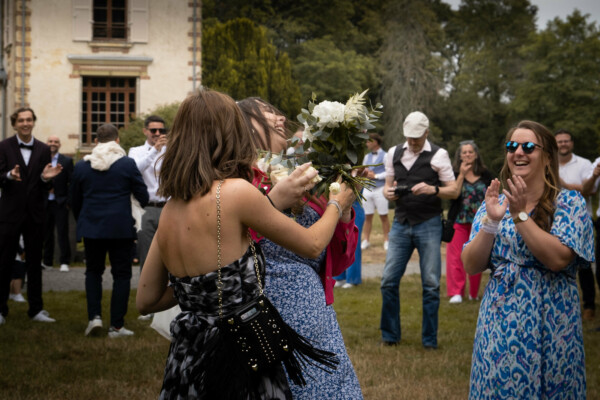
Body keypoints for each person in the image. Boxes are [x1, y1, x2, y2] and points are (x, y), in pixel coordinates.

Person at [136, 89, 356, 399]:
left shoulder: (171, 208)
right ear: (231, 133)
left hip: (189, 351)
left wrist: (205, 291)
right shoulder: (236, 192)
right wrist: (337, 203)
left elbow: (146, 299)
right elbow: (312, 244)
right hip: (236, 350)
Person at [238, 97, 363, 398]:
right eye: (267, 113)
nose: (280, 118)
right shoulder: (238, 180)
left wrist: (343, 209)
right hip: (262, 314)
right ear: (243, 125)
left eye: (278, 112)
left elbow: (338, 259)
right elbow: (232, 241)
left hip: (314, 314)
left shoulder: (308, 178)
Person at [462, 120, 593, 398]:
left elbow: (558, 259)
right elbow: (471, 265)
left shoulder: (569, 203)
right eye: (512, 146)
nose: (518, 152)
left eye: (528, 146)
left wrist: (520, 215)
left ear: (547, 158)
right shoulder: (495, 202)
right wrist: (491, 223)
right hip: (501, 323)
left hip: (553, 321)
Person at [379, 111, 457, 349]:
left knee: (431, 285)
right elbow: (386, 186)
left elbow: (453, 191)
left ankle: (429, 340)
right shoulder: (393, 153)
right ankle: (391, 335)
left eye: (417, 137)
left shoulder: (439, 155)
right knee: (388, 281)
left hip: (429, 223)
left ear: (427, 133)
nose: (412, 142)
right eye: (409, 137)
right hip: (401, 222)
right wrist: (388, 193)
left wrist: (433, 190)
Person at [71, 124, 148, 337]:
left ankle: (94, 317)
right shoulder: (126, 164)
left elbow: (74, 201)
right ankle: (116, 326)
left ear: (96, 141)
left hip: (92, 227)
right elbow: (143, 195)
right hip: (120, 227)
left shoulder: (82, 166)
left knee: (93, 272)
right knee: (122, 275)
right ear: (117, 141)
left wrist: (85, 219)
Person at [0, 107, 63, 325]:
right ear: (14, 123)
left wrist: (46, 179)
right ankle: (0, 310)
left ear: (33, 122)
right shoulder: (4, 146)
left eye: (29, 120)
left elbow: (45, 184)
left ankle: (36, 308)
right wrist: (9, 175)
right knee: (4, 261)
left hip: (36, 214)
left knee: (35, 262)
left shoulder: (44, 148)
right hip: (9, 213)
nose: (25, 123)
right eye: (21, 120)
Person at [128, 115, 168, 320]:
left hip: (169, 207)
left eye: (162, 131)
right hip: (146, 208)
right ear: (145, 131)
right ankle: (147, 303)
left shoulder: (171, 151)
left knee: (172, 255)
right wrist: (154, 151)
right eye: (154, 131)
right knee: (146, 255)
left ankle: (168, 305)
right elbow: (135, 169)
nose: (158, 135)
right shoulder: (136, 151)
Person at [555, 129, 596, 321]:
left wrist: (562, 183)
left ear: (571, 143)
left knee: (584, 264)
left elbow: (588, 191)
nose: (563, 144)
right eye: (559, 141)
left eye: (566, 141)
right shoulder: (548, 162)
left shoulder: (584, 164)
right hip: (554, 219)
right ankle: (561, 305)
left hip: (581, 219)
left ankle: (589, 305)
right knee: (557, 261)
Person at [445, 140, 493, 304]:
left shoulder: (486, 174)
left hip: (479, 221)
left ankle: (474, 292)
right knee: (455, 257)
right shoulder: (453, 173)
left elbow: (493, 195)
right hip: (459, 219)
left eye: (470, 152)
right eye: (464, 152)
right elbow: (453, 194)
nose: (467, 155)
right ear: (459, 156)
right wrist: (461, 175)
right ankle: (456, 292)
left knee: (477, 254)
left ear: (476, 154)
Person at [42, 135, 73, 272]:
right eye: (50, 141)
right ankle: (47, 262)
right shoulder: (40, 160)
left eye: (55, 141)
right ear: (46, 143)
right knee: (46, 233)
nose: (52, 144)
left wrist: (68, 201)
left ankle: (64, 261)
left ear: (59, 145)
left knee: (62, 232)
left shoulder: (66, 161)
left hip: (61, 202)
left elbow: (72, 182)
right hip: (44, 202)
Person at [360, 133, 390, 251]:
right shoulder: (366, 157)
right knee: (367, 216)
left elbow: (389, 172)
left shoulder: (386, 156)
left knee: (383, 216)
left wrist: (376, 175)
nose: (367, 143)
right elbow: (363, 170)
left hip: (380, 189)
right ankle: (366, 240)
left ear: (376, 142)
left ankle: (387, 240)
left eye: (368, 141)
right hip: (368, 189)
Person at [334, 201, 364, 288]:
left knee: (353, 244)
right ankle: (339, 277)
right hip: (340, 210)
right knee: (340, 242)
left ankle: (353, 278)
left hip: (354, 210)